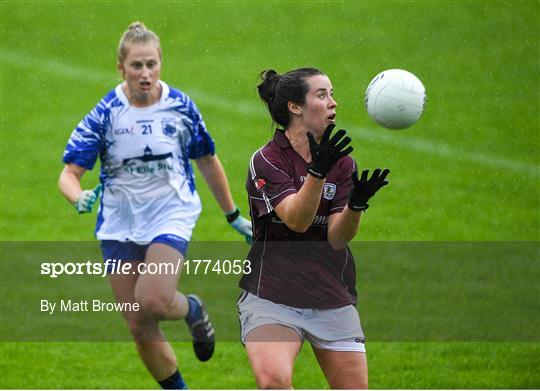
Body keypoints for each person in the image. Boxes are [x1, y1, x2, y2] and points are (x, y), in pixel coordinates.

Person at [58, 22, 252, 390]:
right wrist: (76, 194)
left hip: (171, 212)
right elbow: (69, 173)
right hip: (120, 221)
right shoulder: (105, 114)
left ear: (161, 63)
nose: (145, 74)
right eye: (136, 66)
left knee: (155, 299)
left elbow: (207, 159)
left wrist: (232, 215)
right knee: (138, 324)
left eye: (151, 64)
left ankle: (191, 309)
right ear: (121, 68)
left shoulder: (180, 108)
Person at [237, 67, 390, 389]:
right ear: (295, 107)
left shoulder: (342, 162)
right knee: (273, 382)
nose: (333, 103)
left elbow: (337, 237)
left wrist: (356, 205)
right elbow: (297, 220)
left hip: (329, 292)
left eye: (331, 94)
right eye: (322, 95)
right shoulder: (267, 159)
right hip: (272, 294)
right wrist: (318, 172)